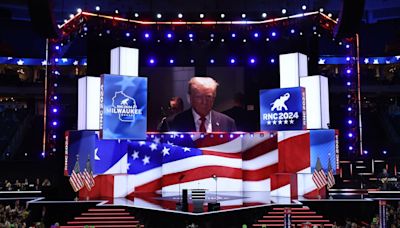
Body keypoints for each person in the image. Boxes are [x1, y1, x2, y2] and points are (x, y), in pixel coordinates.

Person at [168, 77, 236, 132]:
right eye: (199, 97)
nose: (204, 102)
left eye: (208, 97)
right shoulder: (173, 123)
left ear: (214, 97)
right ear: (189, 98)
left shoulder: (227, 123)